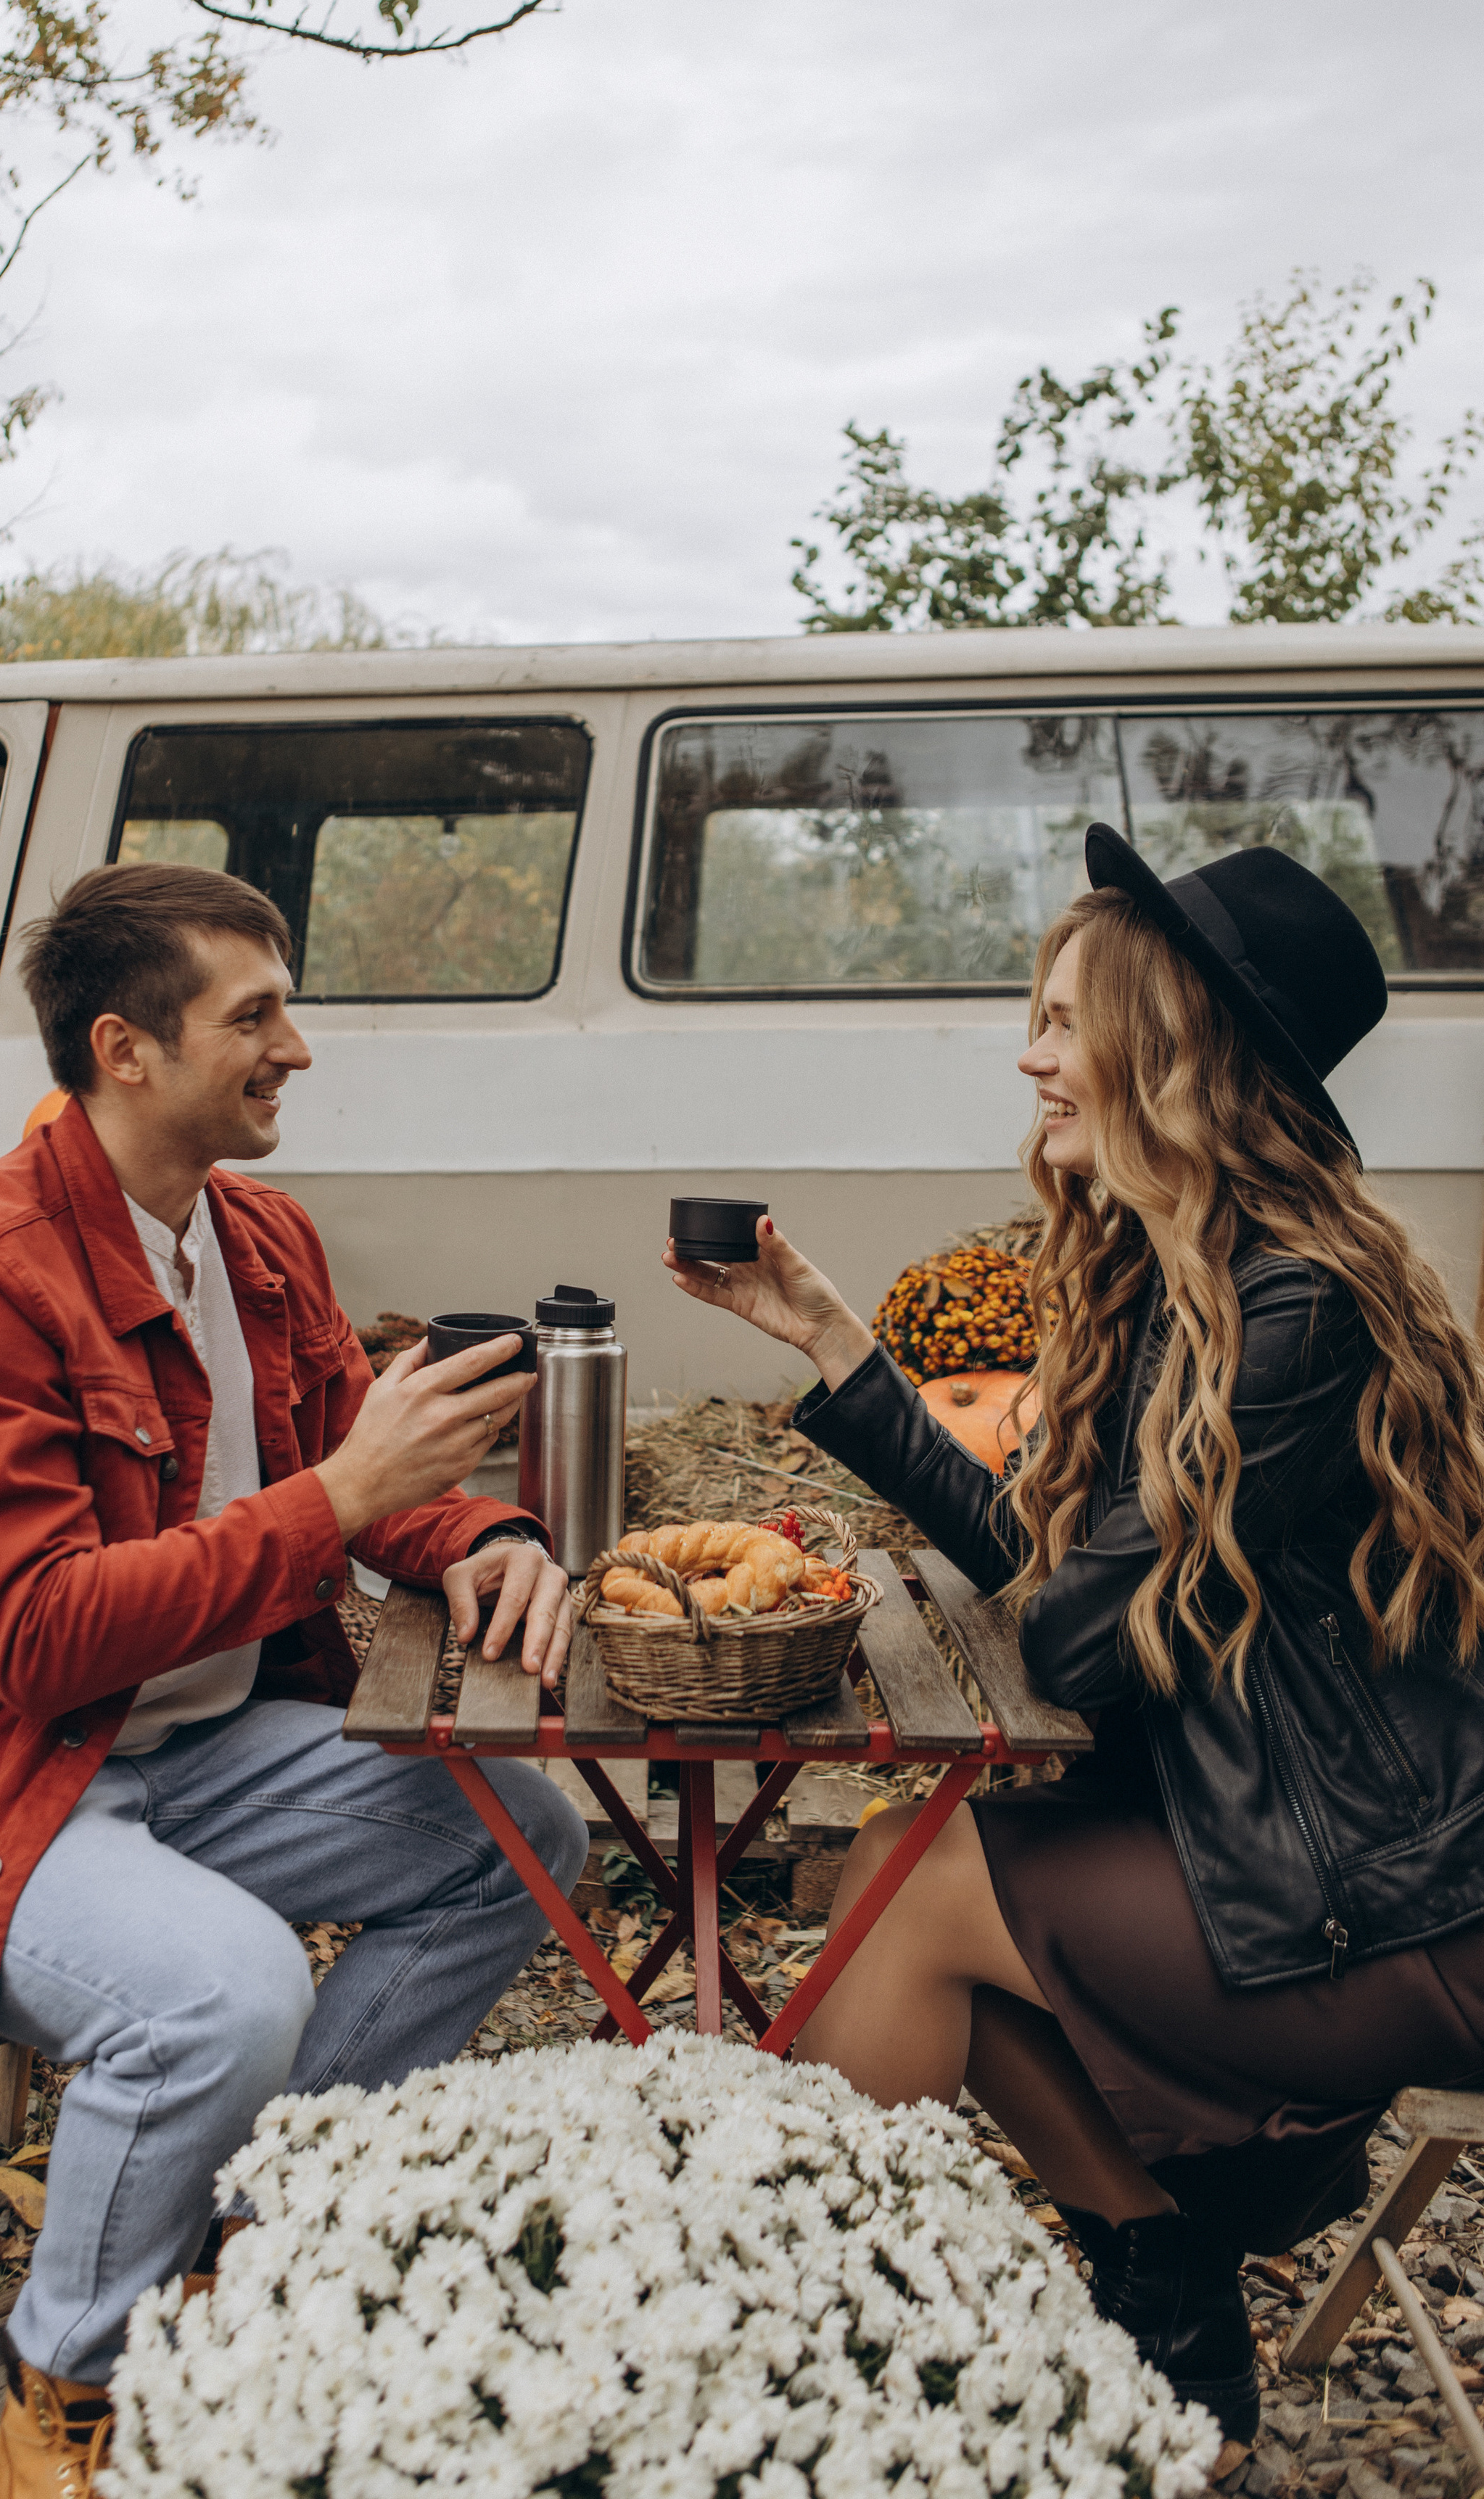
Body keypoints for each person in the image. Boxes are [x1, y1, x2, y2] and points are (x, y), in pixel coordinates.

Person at [0, 861, 587, 2498]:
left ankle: (242, 2242)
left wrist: (474, 1531)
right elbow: (40, 1633)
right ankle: (63, 2379)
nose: (297, 1049)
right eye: (253, 1016)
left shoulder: (255, 1235)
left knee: (516, 1839)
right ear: (125, 1050)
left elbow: (371, 1464)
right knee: (226, 1992)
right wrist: (338, 1502)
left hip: (188, 1759)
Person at [664, 823, 1484, 2440]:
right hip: (1282, 1858)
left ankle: (767, 2333)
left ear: (1165, 1049)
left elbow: (1074, 1644)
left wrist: (1049, 1533)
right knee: (907, 1880)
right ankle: (1158, 2289)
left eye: (1060, 1020)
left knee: (911, 1886)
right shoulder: (1187, 1276)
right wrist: (838, 1351)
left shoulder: (1294, 1308)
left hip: (1385, 1917)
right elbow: (1066, 1584)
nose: (1029, 1055)